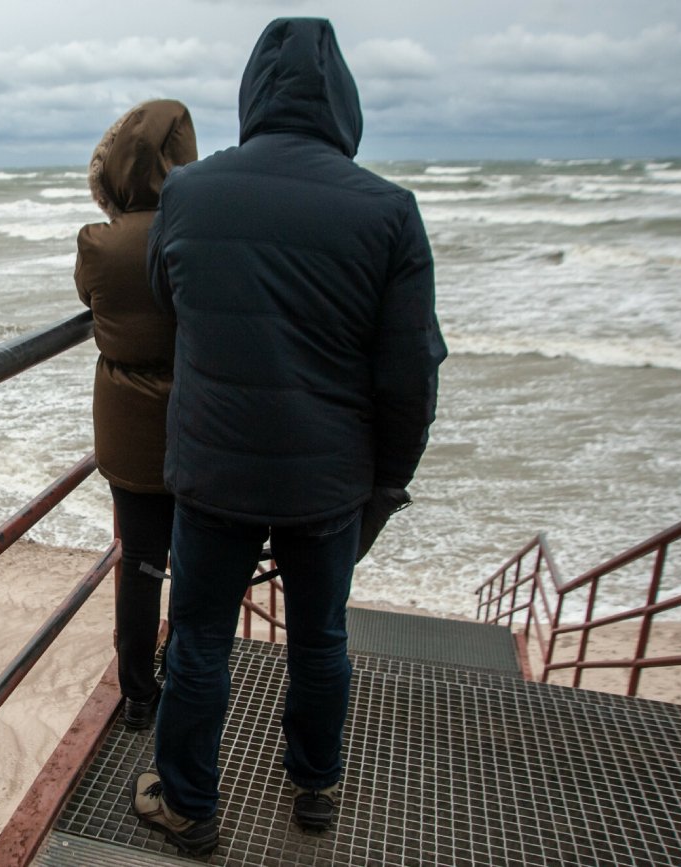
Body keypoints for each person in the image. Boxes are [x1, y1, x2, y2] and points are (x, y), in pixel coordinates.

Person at [129, 18, 446, 855]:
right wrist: (386, 482)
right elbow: (410, 372)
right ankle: (315, 783)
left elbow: (170, 295)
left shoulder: (190, 193)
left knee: (198, 636)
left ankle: (189, 801)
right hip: (328, 477)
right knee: (321, 637)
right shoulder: (389, 210)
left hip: (214, 468)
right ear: (343, 101)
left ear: (252, 95)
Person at [75, 99, 198, 730]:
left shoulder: (99, 243)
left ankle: (137, 694)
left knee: (141, 566)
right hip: (201, 429)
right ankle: (190, 672)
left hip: (127, 436)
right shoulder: (205, 232)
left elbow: (89, 299)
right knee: (200, 564)